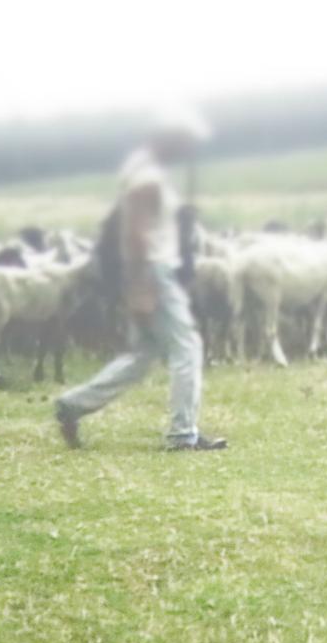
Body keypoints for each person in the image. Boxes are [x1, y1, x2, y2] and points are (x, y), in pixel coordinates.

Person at [55, 104, 227, 452]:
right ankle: (182, 434)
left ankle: (73, 404)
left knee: (142, 355)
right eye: (185, 142)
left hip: (150, 271)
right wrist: (141, 286)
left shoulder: (142, 168)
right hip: (154, 272)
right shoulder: (147, 177)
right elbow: (135, 233)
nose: (187, 150)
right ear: (170, 138)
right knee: (187, 348)